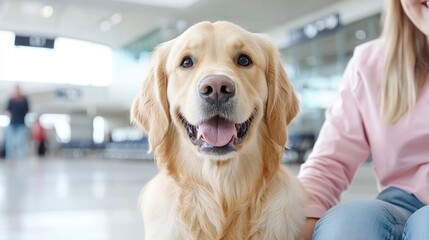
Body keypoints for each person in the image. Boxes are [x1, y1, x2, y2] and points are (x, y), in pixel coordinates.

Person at [298, 0, 429, 239]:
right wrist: (297, 220)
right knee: (348, 221)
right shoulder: (369, 63)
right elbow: (329, 163)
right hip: (399, 200)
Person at [5, 85, 30, 161]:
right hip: (12, 123)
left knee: (20, 142)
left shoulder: (24, 100)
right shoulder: (11, 100)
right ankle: (9, 158)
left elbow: (27, 110)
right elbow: (8, 110)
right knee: (9, 142)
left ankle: (21, 158)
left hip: (21, 123)